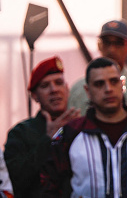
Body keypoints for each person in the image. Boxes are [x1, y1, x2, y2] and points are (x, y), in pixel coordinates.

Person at [41, 57, 127, 197]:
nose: (108, 89)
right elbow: (49, 186)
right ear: (87, 91)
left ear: (122, 85)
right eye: (99, 84)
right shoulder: (70, 134)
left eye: (114, 81)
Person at [4, 56, 79, 197]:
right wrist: (47, 140)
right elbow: (14, 180)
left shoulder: (80, 128)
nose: (54, 90)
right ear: (34, 96)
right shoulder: (20, 133)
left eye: (59, 83)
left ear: (67, 89)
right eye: (45, 86)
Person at [68, 19, 127, 118]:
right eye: (106, 42)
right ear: (99, 45)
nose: (111, 49)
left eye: (118, 43)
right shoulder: (78, 88)